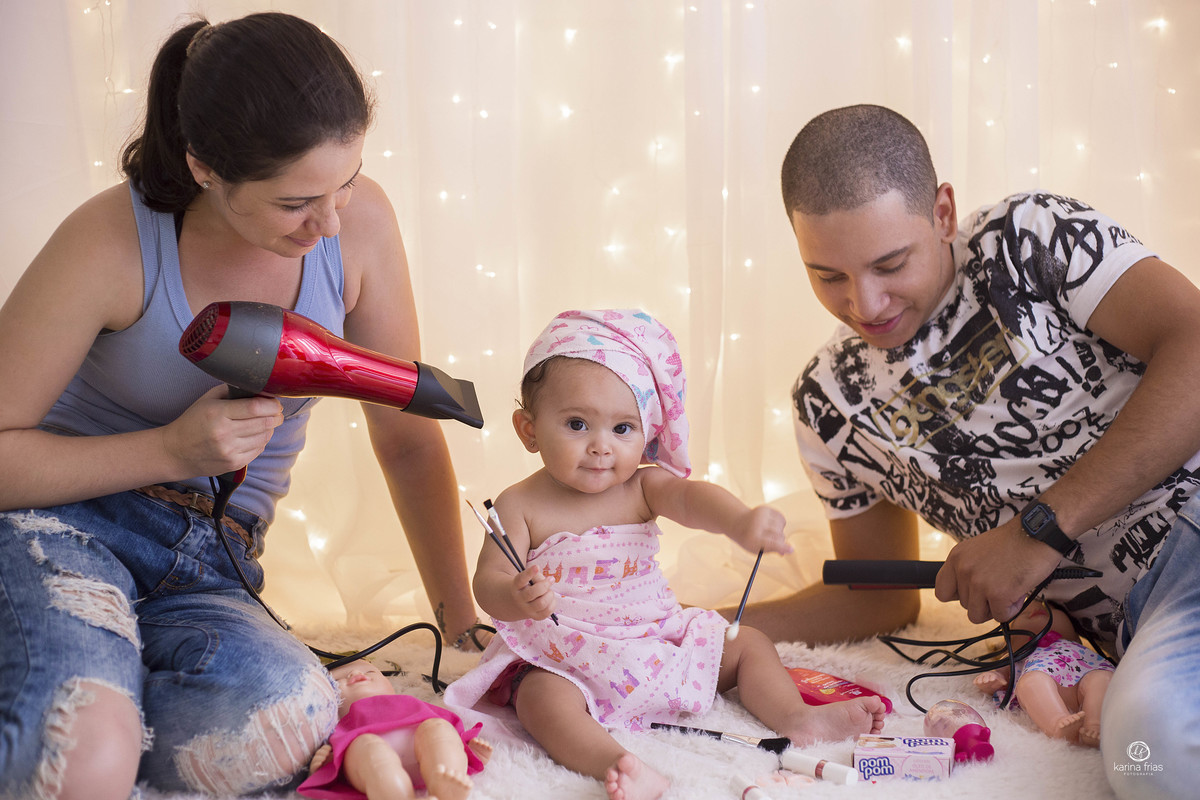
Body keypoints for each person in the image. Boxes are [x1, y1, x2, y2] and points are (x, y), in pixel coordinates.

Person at [0, 13, 481, 800]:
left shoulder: (357, 226)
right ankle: (83, 701)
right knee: (81, 759)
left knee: (283, 723)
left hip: (212, 567)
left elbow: (405, 438)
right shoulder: (109, 241)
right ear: (204, 169)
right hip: (63, 528)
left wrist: (460, 620)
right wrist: (170, 451)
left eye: (347, 181)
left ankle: (82, 677)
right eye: (297, 202)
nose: (330, 221)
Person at [733, 103, 1200, 799]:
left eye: (891, 263)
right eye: (828, 276)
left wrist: (1041, 529)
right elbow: (877, 595)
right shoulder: (827, 401)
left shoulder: (1028, 236)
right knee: (1146, 759)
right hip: (1152, 615)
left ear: (943, 213)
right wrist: (694, 627)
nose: (866, 303)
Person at [444, 309, 886, 800]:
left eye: (623, 429)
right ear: (528, 430)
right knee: (540, 699)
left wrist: (741, 522)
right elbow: (488, 581)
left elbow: (692, 499)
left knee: (747, 645)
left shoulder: (642, 486)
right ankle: (617, 763)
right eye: (576, 424)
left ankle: (796, 718)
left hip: (655, 640)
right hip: (564, 654)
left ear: (647, 431)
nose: (600, 446)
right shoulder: (519, 504)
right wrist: (514, 595)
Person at [298, 660, 492, 800]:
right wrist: (323, 762)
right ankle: (396, 795)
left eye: (370, 671)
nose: (355, 672)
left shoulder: (412, 703)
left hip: (422, 752)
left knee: (437, 727)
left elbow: (450, 732)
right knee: (365, 747)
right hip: (371, 758)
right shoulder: (338, 722)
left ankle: (445, 779)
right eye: (338, 678)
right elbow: (334, 757)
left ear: (390, 684)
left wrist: (466, 750)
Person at [973, 603, 1113, 747]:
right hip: (1046, 686)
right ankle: (1058, 722)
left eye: (1048, 608)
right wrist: (994, 678)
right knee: (1031, 682)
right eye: (1023, 613)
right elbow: (1002, 674)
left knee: (1102, 678)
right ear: (1010, 640)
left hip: (1085, 674)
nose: (1035, 609)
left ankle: (1095, 724)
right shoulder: (1019, 654)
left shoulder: (1077, 646)